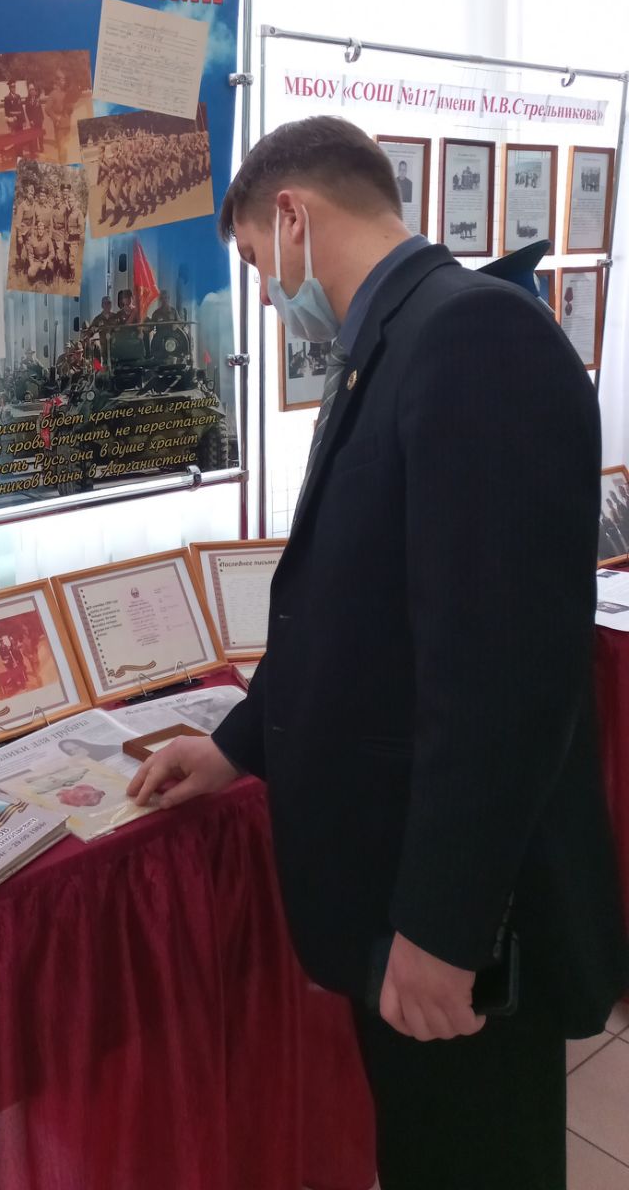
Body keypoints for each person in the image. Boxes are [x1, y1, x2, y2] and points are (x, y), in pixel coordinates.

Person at [129, 114, 626, 1190]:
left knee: (473, 1158)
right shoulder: (390, 348)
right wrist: (236, 745)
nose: (271, 294)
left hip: (462, 919)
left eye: (257, 261)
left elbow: (505, 676)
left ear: (292, 217)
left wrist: (444, 930)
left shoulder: (474, 339)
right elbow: (349, 611)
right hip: (398, 881)